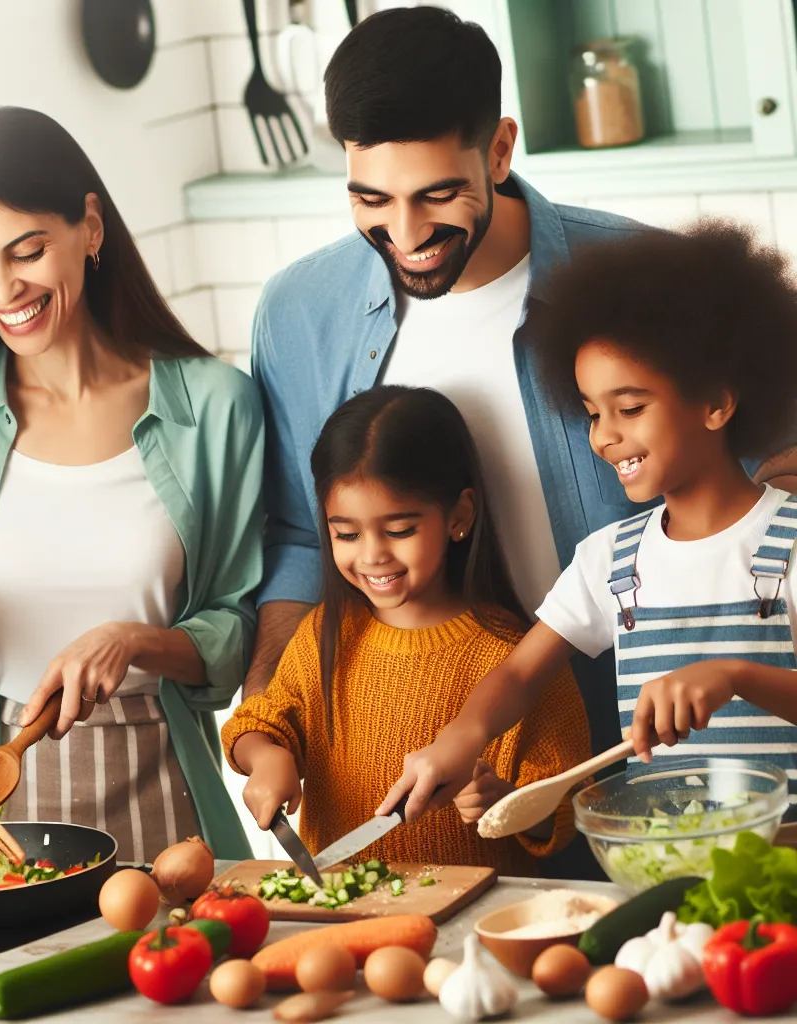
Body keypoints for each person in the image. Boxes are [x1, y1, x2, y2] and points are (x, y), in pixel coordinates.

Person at [244, 5, 797, 769]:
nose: (404, 235)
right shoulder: (298, 313)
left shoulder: (647, 279)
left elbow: (781, 453)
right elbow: (303, 538)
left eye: (436, 195)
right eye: (371, 199)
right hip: (432, 758)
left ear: (498, 149)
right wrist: (269, 719)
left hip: (658, 741)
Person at [0, 107, 264, 861]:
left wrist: (133, 640)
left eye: (27, 251)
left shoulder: (216, 407)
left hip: (164, 793)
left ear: (91, 227)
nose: (2, 290)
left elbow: (238, 631)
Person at [377, 222, 797, 825]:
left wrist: (735, 675)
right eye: (592, 412)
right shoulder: (613, 560)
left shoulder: (787, 543)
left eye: (629, 408)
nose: (604, 435)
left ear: (715, 403)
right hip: (662, 871)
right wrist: (459, 740)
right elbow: (521, 674)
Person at [222, 386, 590, 873]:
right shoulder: (324, 636)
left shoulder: (518, 657)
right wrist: (266, 758)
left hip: (471, 926)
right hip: (343, 919)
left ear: (458, 517)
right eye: (346, 534)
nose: (372, 555)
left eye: (399, 530)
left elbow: (565, 811)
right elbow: (257, 724)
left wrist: (505, 803)